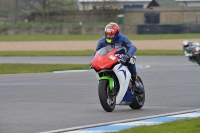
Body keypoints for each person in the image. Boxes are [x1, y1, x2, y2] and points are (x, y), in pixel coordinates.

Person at [91, 22, 143, 94]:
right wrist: (93, 61)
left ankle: (135, 79)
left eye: (111, 35)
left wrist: (127, 55)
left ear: (117, 34)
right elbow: (96, 53)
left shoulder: (123, 38)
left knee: (131, 61)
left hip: (123, 57)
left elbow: (132, 47)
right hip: (110, 59)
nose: (109, 36)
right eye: (107, 34)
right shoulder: (102, 41)